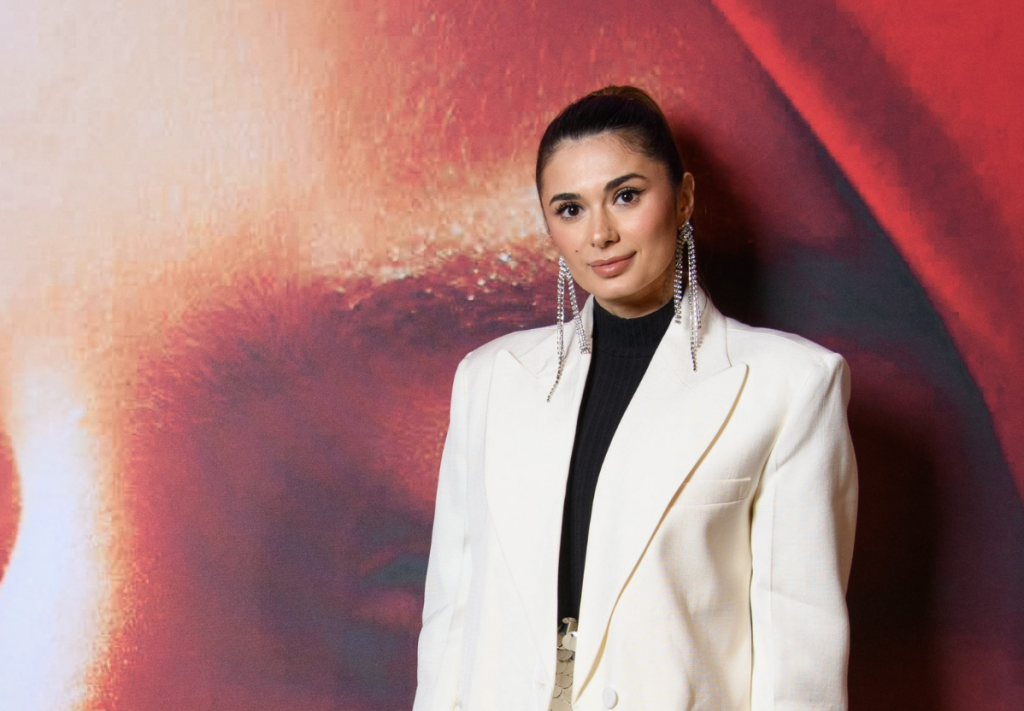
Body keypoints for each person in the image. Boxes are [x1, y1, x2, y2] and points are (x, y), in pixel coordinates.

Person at [411, 86, 858, 711]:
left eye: (626, 196)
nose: (600, 233)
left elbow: (799, 655)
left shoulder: (791, 385)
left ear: (683, 198)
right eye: (570, 208)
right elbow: (451, 615)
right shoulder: (488, 381)